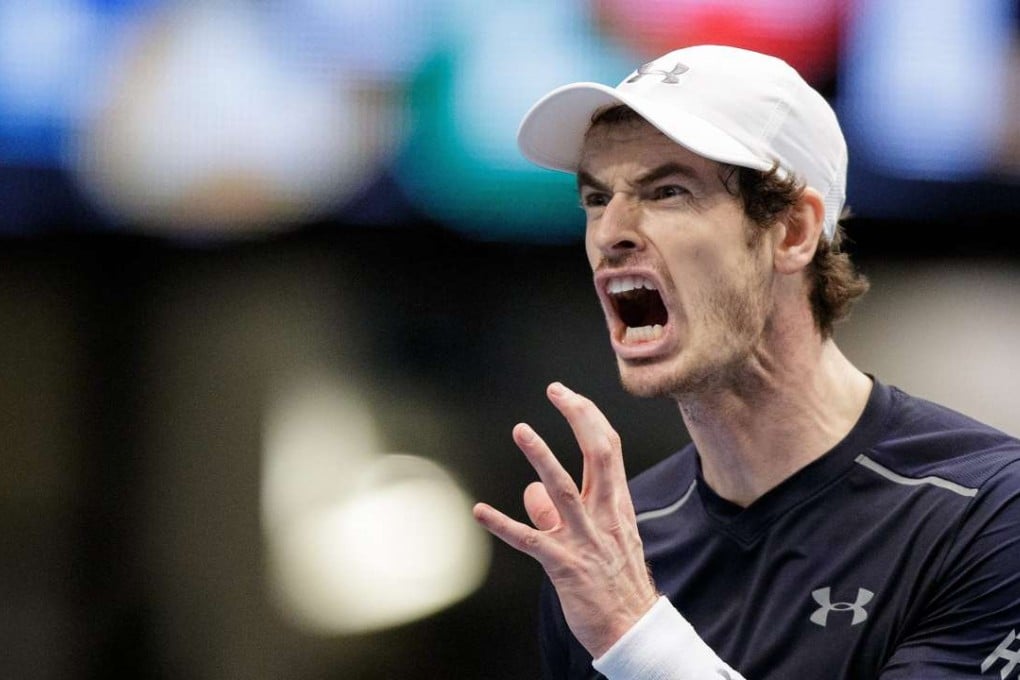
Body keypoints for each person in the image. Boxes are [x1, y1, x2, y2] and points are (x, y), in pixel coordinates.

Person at [471, 44, 1020, 679]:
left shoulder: (988, 511)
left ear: (793, 231)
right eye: (596, 199)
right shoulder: (611, 543)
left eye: (668, 191)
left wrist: (631, 631)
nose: (608, 233)